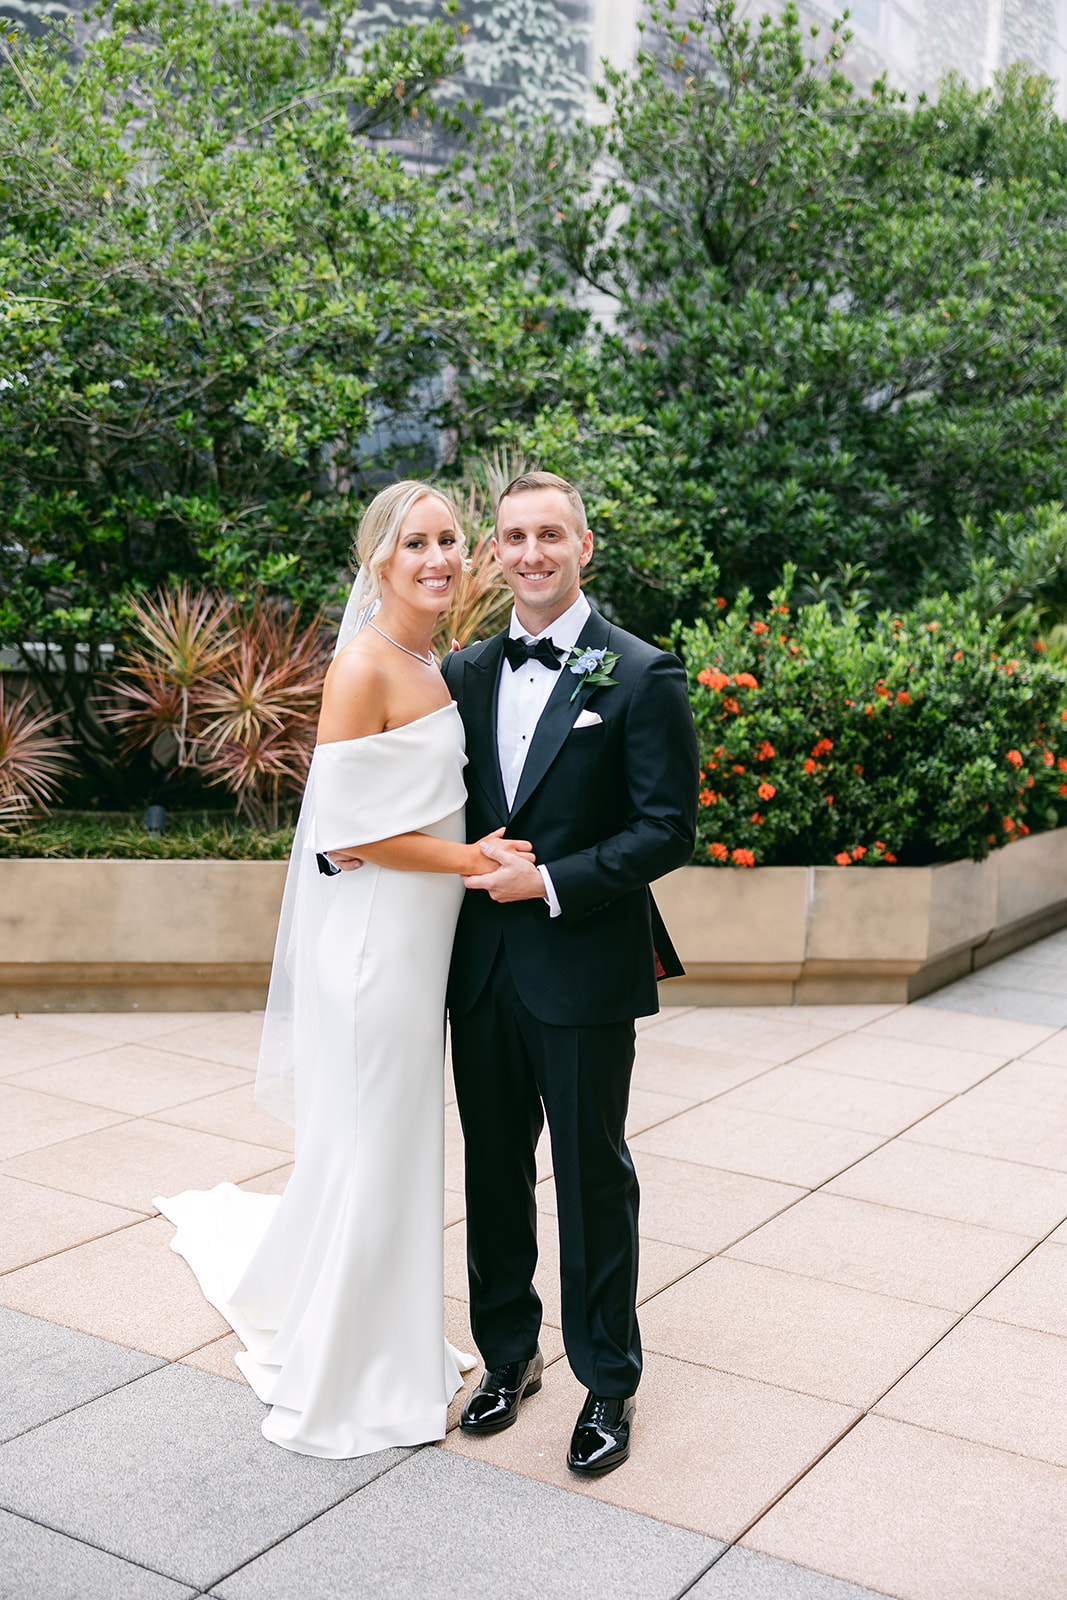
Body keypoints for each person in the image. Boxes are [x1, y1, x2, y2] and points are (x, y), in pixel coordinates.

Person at [156, 481, 533, 1459]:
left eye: (449, 538)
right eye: (415, 543)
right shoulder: (364, 666)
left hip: (416, 950)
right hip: (370, 951)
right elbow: (351, 831)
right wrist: (474, 861)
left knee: (392, 1148)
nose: (438, 557)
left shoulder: (434, 660)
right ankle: (354, 1371)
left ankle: (389, 1334)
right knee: (373, 1146)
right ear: (379, 563)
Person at [441, 470, 699, 1476]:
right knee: (493, 1172)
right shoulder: (463, 672)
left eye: (550, 534)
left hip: (582, 961)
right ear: (493, 553)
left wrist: (547, 879)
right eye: (513, 537)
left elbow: (664, 829)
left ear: (583, 544)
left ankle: (607, 1379)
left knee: (593, 1180)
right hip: (481, 970)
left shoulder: (638, 672)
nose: (531, 552)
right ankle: (508, 1355)